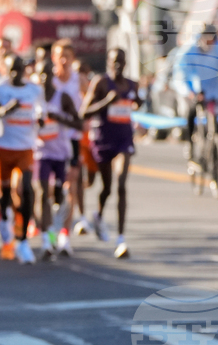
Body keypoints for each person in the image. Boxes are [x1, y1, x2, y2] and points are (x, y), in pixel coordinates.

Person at [0, 55, 43, 264]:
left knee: (26, 190)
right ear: (5, 70)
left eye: (19, 69)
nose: (15, 74)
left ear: (25, 70)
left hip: (25, 148)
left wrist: (40, 119)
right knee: (4, 195)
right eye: (11, 70)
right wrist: (3, 111)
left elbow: (42, 110)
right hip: (3, 148)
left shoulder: (33, 90)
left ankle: (23, 240)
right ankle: (5, 221)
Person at [80, 48, 141, 259]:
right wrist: (106, 102)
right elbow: (83, 112)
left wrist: (138, 101)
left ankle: (121, 239)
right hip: (103, 140)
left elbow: (136, 102)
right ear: (108, 62)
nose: (117, 66)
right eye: (114, 61)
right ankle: (98, 214)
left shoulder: (132, 84)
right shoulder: (101, 83)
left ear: (126, 63)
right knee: (106, 188)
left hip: (124, 140)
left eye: (121, 62)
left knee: (121, 185)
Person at [34, 58, 82, 261]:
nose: (44, 78)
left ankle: (60, 231)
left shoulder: (62, 97)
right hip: (40, 153)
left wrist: (59, 118)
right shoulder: (32, 97)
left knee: (61, 196)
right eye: (40, 74)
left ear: (53, 75)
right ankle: (47, 239)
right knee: (42, 193)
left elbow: (79, 124)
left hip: (61, 153)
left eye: (47, 73)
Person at [172, 25, 218, 159]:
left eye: (212, 38)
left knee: (213, 119)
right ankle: (190, 144)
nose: (209, 42)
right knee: (191, 112)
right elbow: (180, 74)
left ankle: (213, 145)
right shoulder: (189, 50)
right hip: (194, 90)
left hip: (213, 90)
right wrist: (189, 92)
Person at [51, 39, 88, 251]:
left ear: (73, 58)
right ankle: (51, 229)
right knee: (49, 188)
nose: (64, 61)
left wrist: (85, 121)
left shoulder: (79, 79)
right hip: (50, 139)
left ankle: (64, 233)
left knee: (70, 184)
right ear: (54, 58)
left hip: (72, 137)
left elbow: (90, 101)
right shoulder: (47, 80)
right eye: (60, 56)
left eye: (68, 56)